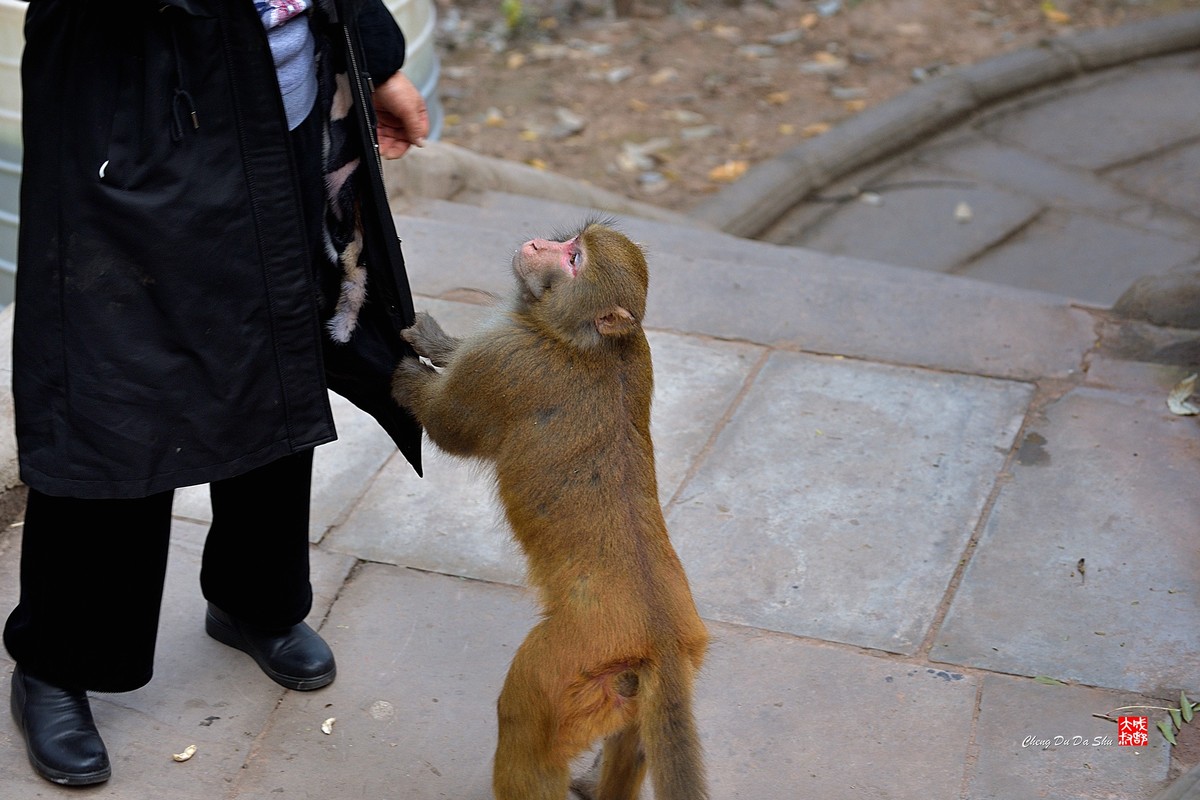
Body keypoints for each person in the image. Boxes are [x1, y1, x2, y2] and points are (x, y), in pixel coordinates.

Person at [3, 0, 429, 786]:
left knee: (276, 339)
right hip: (131, 100)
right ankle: (58, 660)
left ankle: (253, 598)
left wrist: (375, 53)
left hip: (287, 94)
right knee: (116, 373)